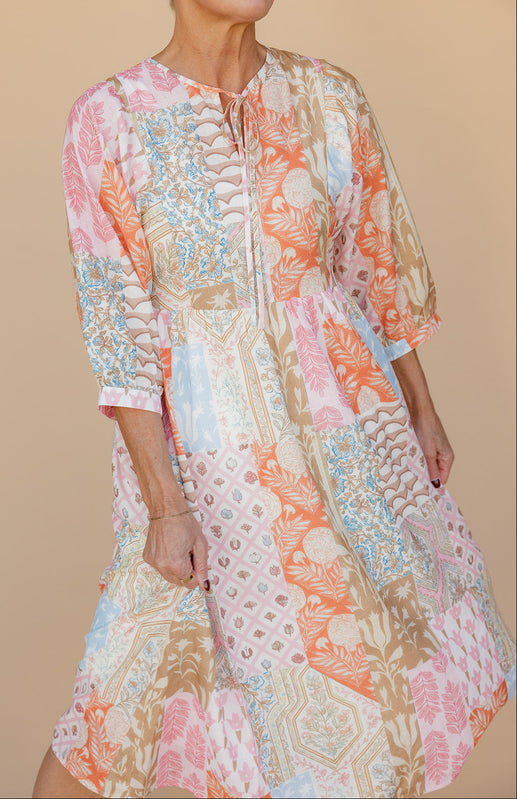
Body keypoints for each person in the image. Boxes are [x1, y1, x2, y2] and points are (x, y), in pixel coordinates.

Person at [33, 1, 516, 797]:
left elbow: (376, 267)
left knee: (354, 679)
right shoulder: (110, 119)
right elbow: (117, 329)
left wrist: (421, 407)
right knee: (119, 701)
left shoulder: (328, 95)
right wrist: (163, 503)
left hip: (348, 436)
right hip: (211, 454)